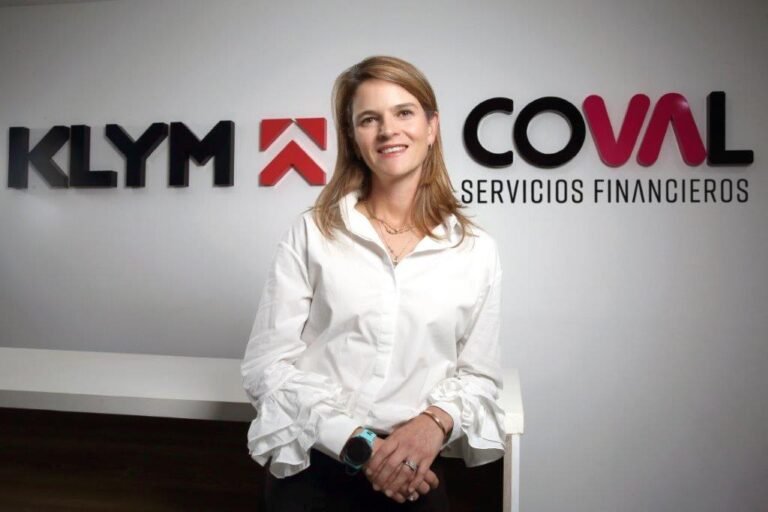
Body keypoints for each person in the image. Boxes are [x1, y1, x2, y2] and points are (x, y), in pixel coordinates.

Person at [241, 55, 506, 511]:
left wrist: (433, 423)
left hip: (417, 472)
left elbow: (479, 376)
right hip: (314, 468)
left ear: (431, 126)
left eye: (404, 112)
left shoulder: (475, 249)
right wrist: (358, 443)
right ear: (353, 137)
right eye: (369, 119)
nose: (388, 131)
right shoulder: (313, 232)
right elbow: (266, 366)